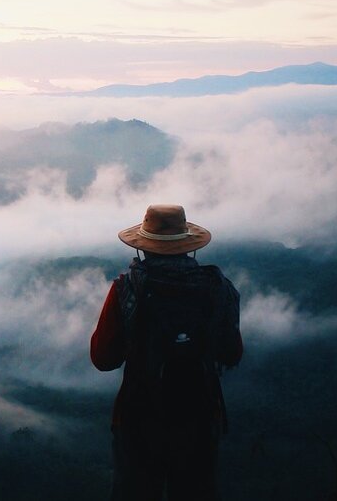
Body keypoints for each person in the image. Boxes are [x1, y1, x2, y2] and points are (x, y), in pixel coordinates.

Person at [91, 204, 243, 501]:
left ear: (142, 249)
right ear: (190, 248)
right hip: (200, 417)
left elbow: (103, 358)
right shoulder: (217, 288)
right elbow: (232, 353)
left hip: (138, 418)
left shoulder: (127, 289)